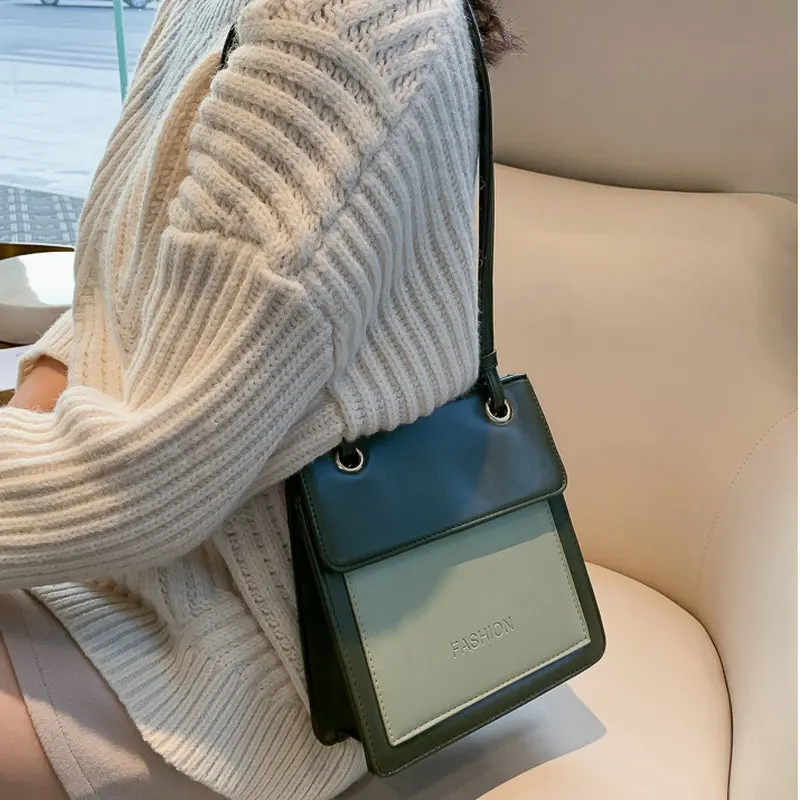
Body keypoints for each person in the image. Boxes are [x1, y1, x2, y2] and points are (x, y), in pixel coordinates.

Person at [0, 1, 519, 798]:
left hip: (270, 654)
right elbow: (115, 297)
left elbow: (157, 475)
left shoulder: (349, 23)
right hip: (145, 563)